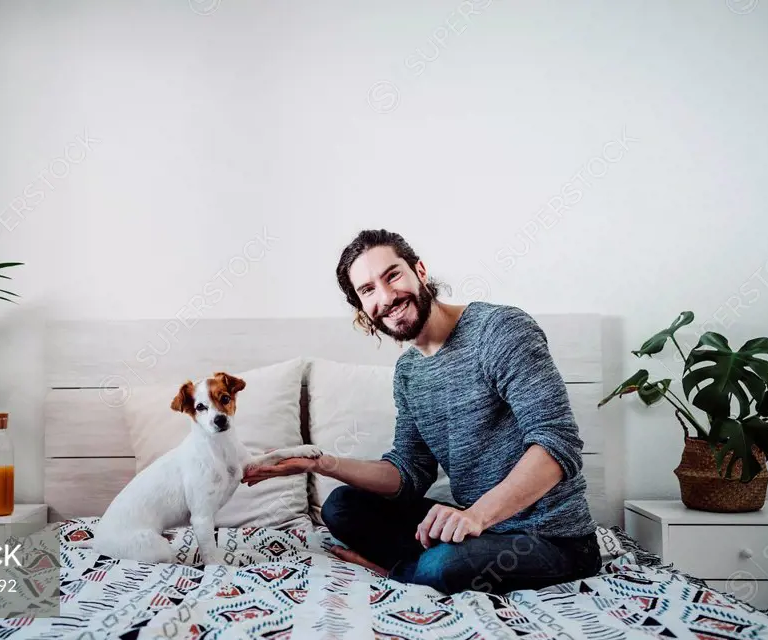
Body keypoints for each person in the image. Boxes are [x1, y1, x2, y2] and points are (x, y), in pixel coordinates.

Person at [243, 229, 601, 595]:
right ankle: (418, 567)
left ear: (420, 270)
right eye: (368, 290)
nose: (386, 297)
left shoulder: (499, 330)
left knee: (443, 565)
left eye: (392, 275)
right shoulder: (409, 371)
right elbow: (408, 473)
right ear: (363, 309)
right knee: (341, 506)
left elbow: (557, 444)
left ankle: (400, 570)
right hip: (478, 532)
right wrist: (317, 463)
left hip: (552, 539)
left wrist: (475, 515)